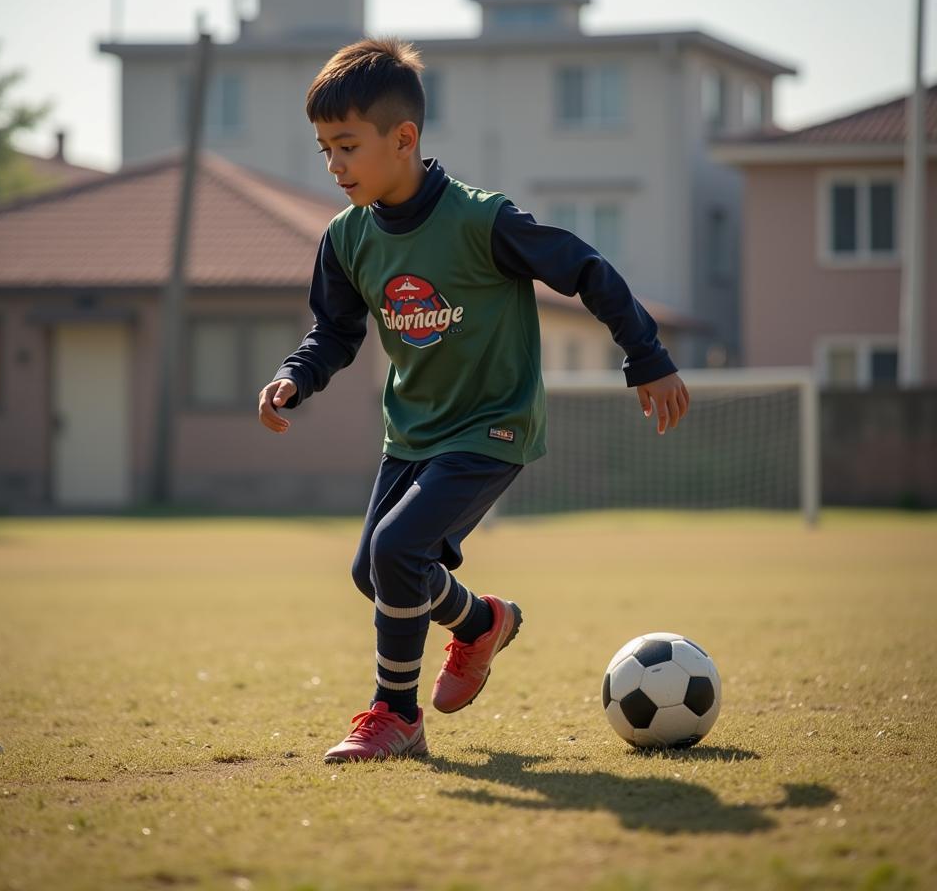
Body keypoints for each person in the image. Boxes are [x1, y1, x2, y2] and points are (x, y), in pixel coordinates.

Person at [258, 37, 689, 763]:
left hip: (493, 427)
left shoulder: (481, 222)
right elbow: (335, 330)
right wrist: (296, 374)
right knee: (375, 572)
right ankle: (482, 620)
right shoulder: (345, 239)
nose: (332, 165)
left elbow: (586, 267)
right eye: (324, 148)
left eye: (346, 146)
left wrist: (647, 356)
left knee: (397, 551)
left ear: (404, 139)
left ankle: (395, 716)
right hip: (412, 434)